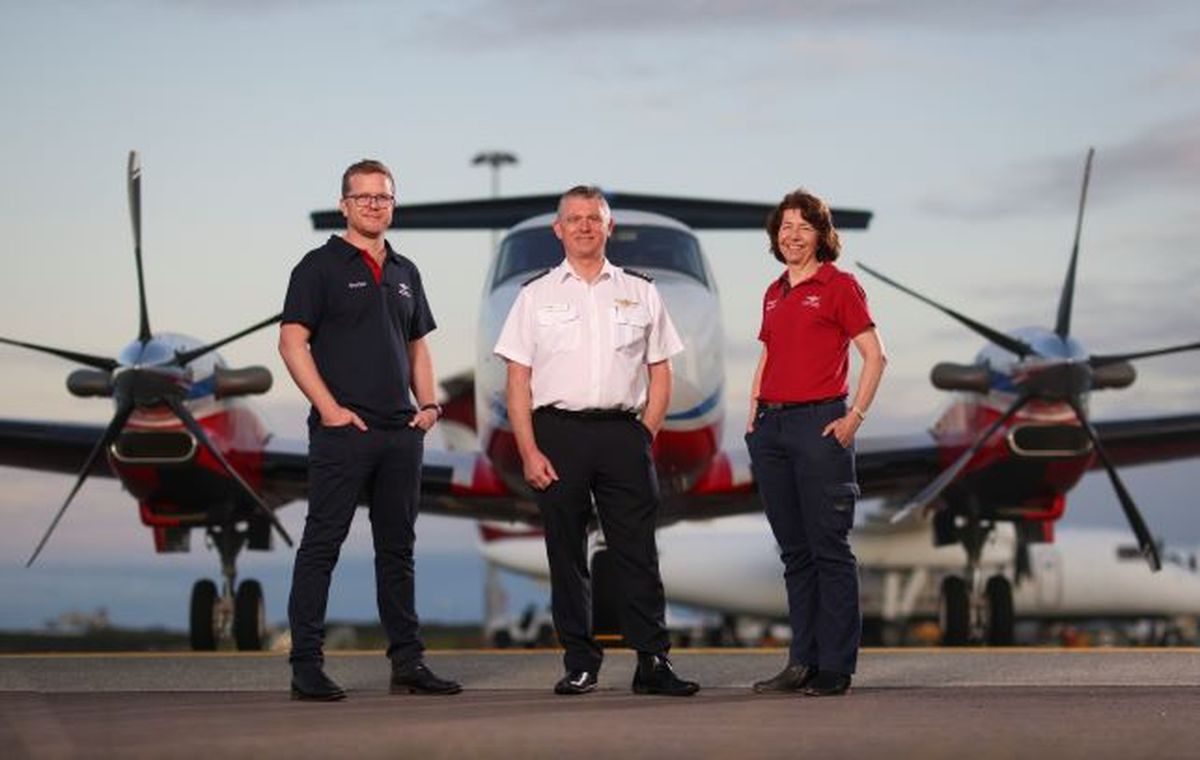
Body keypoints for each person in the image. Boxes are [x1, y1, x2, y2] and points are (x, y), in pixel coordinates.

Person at [494, 185, 699, 697]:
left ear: (609, 228)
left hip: (621, 433)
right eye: (575, 218)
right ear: (558, 230)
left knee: (638, 553)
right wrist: (529, 449)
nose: (585, 226)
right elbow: (517, 381)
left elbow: (661, 373)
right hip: (556, 433)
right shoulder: (534, 296)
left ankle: (653, 662)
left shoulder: (641, 290)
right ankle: (580, 662)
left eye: (594, 218)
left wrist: (642, 434)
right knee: (565, 553)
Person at [279, 159, 460, 701]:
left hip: (401, 433)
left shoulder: (406, 271)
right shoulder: (317, 266)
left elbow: (417, 346)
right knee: (321, 546)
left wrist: (427, 406)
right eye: (363, 198)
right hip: (343, 432)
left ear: (393, 204)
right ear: (344, 205)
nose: (374, 205)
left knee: (397, 550)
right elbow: (292, 343)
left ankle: (408, 662)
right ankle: (305, 665)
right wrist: (330, 410)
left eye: (383, 197)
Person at [745, 188, 886, 697]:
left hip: (821, 426)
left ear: (821, 236)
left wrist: (855, 418)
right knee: (794, 554)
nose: (792, 236)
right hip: (773, 431)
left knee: (830, 550)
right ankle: (801, 661)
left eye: (803, 227)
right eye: (785, 227)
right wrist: (753, 415)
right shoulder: (773, 291)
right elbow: (768, 354)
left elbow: (875, 355)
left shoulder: (840, 286)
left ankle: (835, 667)